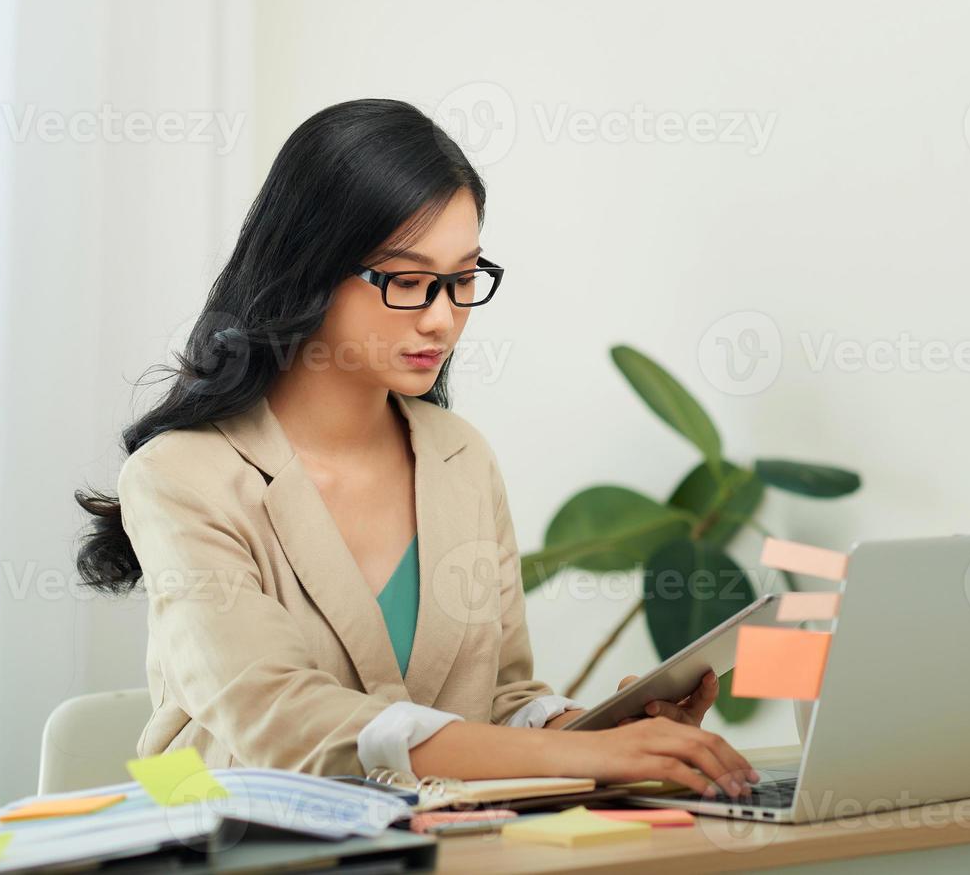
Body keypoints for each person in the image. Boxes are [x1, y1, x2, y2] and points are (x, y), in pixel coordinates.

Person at [75, 98, 757, 797]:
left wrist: (603, 734)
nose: (441, 317)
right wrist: (588, 760)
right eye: (406, 282)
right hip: (240, 846)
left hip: (444, 847)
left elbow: (499, 701)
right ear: (310, 268)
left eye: (462, 281)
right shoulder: (182, 475)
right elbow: (277, 720)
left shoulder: (460, 457)